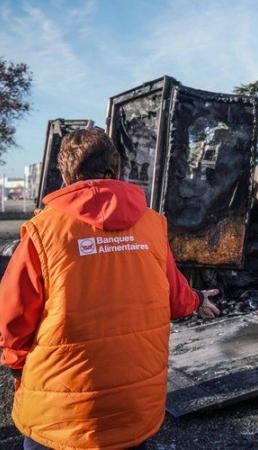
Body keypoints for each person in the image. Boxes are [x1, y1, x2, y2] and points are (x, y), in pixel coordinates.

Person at [0, 129, 221, 449]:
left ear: (65, 174)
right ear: (116, 170)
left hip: (60, 416)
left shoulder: (42, 231)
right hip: (135, 413)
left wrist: (19, 369)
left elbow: (12, 319)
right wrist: (197, 299)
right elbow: (175, 296)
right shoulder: (152, 224)